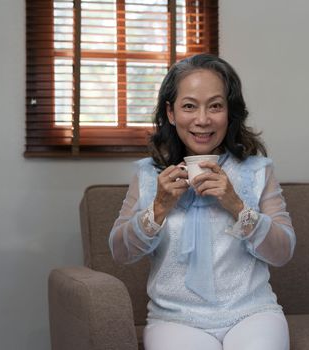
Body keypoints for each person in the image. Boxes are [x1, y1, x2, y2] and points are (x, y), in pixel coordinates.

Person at [108, 54, 296, 350]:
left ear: (229, 112)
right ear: (170, 113)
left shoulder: (257, 171)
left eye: (216, 106)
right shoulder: (147, 174)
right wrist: (158, 208)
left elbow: (283, 251)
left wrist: (236, 204)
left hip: (252, 314)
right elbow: (119, 251)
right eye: (189, 106)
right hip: (174, 320)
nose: (203, 119)